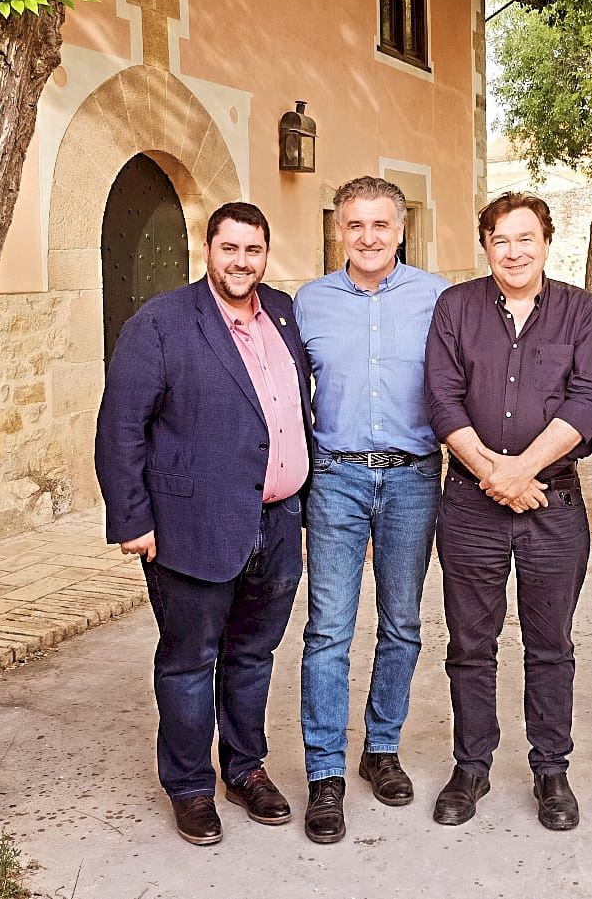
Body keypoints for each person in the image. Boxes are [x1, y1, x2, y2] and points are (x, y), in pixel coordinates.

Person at [95, 202, 311, 846]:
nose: (241, 261)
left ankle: (244, 769)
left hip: (277, 522)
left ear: (265, 254)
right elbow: (120, 427)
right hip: (191, 524)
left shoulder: (283, 313)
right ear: (208, 249)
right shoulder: (161, 322)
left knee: (253, 655)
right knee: (190, 661)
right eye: (229, 248)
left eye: (253, 250)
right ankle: (190, 785)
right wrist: (132, 519)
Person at [423, 192, 592, 830]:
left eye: (525, 238)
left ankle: (551, 770)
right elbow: (441, 398)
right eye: (500, 239)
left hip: (551, 503)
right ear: (486, 247)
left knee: (550, 643)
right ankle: (471, 767)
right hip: (470, 505)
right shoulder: (456, 307)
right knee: (470, 644)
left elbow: (586, 401)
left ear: (546, 243)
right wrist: (493, 475)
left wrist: (521, 471)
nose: (513, 251)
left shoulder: (580, 311)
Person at [295, 177, 448, 844]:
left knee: (402, 623)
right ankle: (325, 771)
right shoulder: (309, 302)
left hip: (413, 477)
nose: (368, 236)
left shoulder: (437, 298)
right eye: (354, 224)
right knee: (328, 628)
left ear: (401, 228)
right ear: (339, 230)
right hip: (336, 477)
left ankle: (381, 748)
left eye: (380, 223)